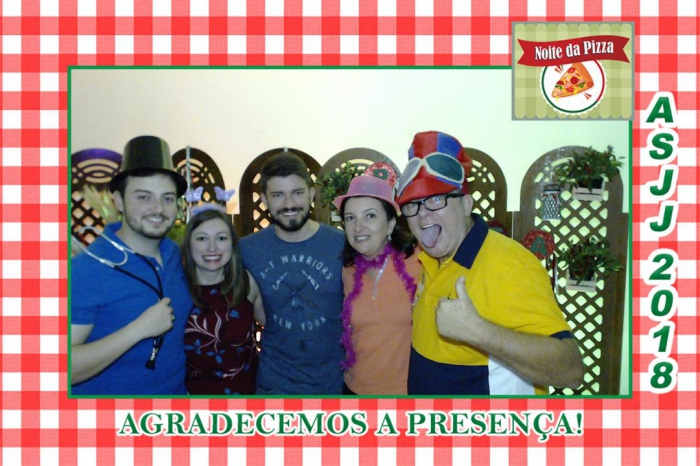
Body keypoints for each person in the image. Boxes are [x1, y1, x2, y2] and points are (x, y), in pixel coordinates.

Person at [395, 130, 585, 395]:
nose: (423, 214)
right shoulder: (429, 258)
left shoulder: (510, 264)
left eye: (436, 199)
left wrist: (478, 332)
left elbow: (570, 370)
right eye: (413, 204)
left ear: (466, 204)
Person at [71, 135, 192, 395]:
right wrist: (138, 330)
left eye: (167, 198)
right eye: (144, 197)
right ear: (118, 200)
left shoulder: (174, 254)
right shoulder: (86, 270)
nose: (158, 208)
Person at [239, 152, 345, 395]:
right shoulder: (246, 250)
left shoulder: (342, 244)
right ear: (264, 200)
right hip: (274, 387)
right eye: (278, 195)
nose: (289, 204)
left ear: (311, 194)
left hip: (335, 386)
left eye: (297, 193)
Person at [332, 170, 421, 395]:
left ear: (390, 225)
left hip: (404, 395)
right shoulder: (349, 270)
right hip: (354, 391)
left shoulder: (418, 262)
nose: (358, 227)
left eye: (370, 216)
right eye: (350, 218)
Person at [181, 207, 264, 395]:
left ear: (232, 244)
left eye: (221, 238)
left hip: (247, 395)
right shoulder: (177, 288)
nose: (212, 248)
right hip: (194, 400)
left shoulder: (245, 282)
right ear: (189, 244)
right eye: (202, 239)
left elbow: (274, 327)